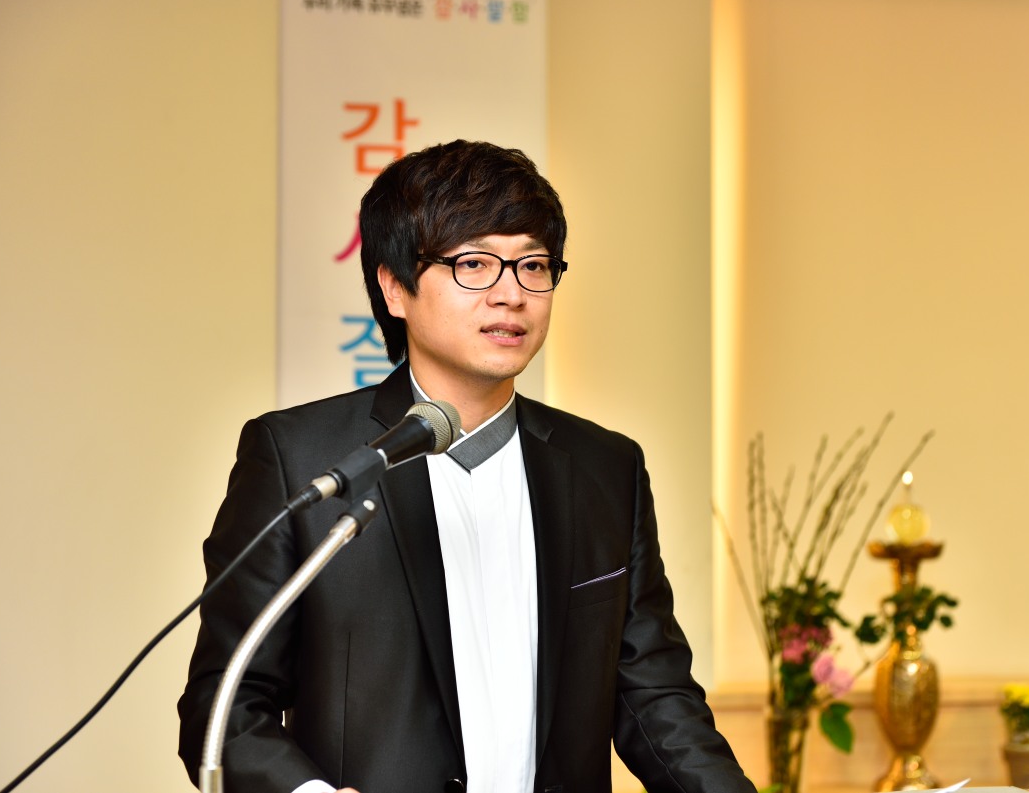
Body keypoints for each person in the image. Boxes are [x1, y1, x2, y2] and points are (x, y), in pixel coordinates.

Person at [177, 140, 756, 793]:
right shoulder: (302, 459)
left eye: (533, 265)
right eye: (474, 264)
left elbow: (654, 696)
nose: (511, 294)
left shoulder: (605, 468)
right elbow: (224, 708)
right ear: (394, 287)